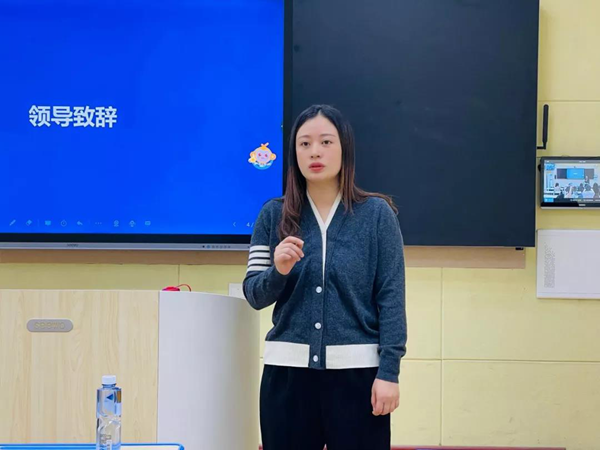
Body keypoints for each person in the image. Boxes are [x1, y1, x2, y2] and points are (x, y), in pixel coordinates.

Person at [243, 104, 407, 450]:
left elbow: (391, 299)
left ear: (345, 148)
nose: (314, 152)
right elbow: (254, 294)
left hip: (359, 376)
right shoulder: (272, 215)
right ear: (294, 154)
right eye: (304, 144)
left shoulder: (377, 215)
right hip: (286, 377)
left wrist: (389, 372)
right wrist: (279, 270)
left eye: (326, 142)